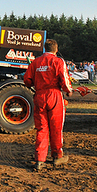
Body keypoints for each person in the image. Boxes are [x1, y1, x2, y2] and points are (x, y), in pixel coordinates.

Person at [23, 39, 73, 171]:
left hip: (40, 96)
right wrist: (69, 91)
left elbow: (27, 80)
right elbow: (64, 78)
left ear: (44, 48)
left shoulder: (35, 62)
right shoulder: (58, 61)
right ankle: (57, 156)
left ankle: (40, 159)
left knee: (42, 128)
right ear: (56, 49)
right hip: (54, 95)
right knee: (56, 127)